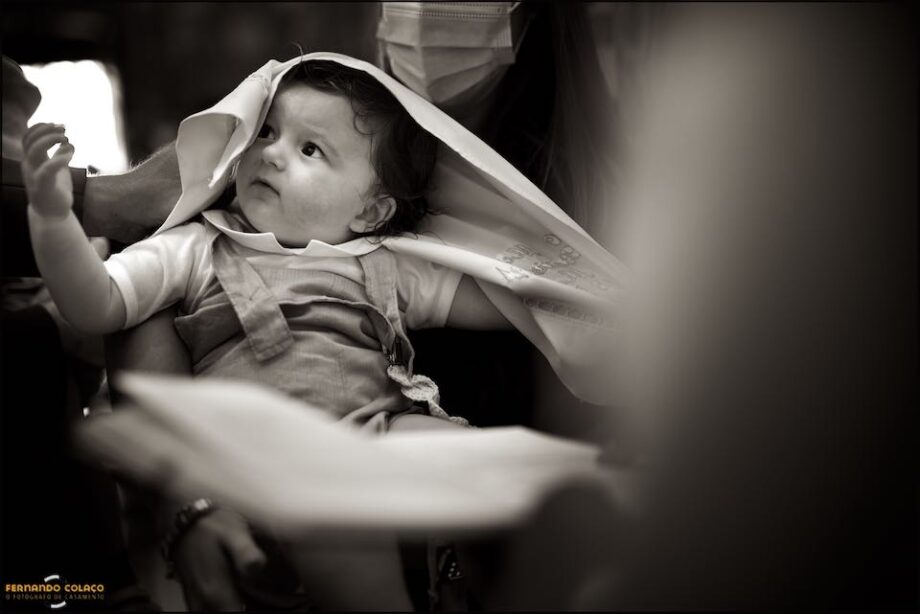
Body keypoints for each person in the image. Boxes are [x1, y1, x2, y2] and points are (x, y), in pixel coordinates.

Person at [23, 57, 516, 611]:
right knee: (341, 535)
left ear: (372, 210)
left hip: (376, 430)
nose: (272, 154)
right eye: (266, 131)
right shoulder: (196, 247)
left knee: (505, 466)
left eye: (311, 150)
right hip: (254, 456)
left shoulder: (383, 262)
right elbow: (98, 304)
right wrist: (54, 222)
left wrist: (589, 301)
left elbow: (509, 294)